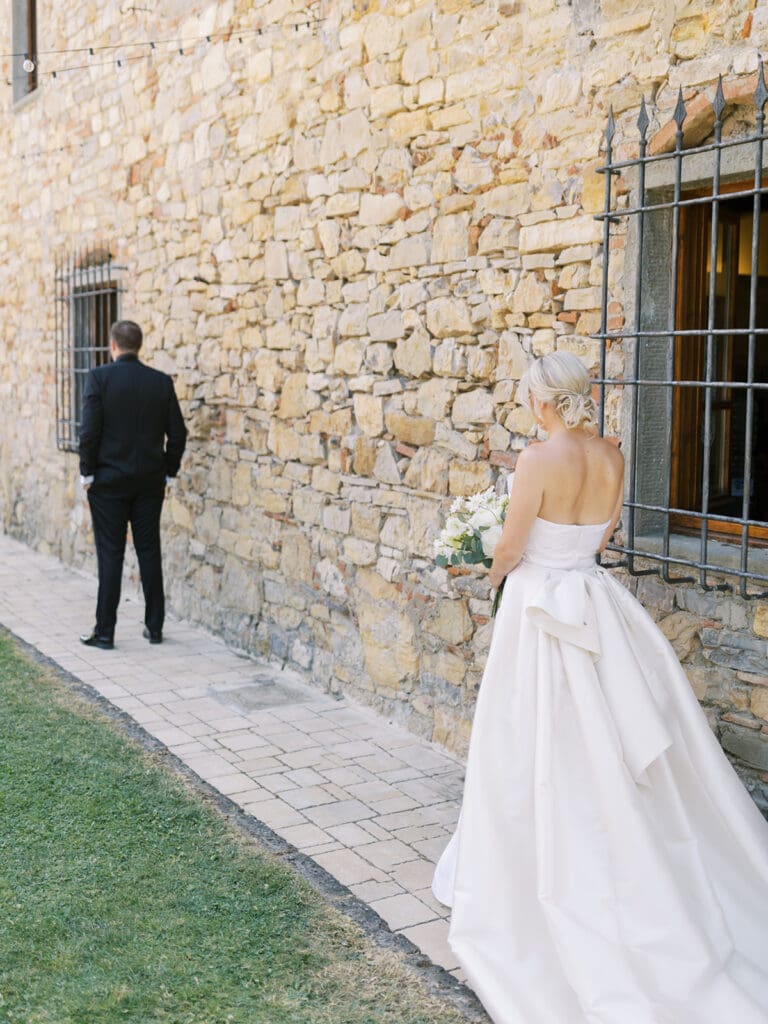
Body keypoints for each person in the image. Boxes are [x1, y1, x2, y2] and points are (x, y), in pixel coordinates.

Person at [432, 351, 768, 1023]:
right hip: (594, 600)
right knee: (614, 735)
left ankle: (542, 868)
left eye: (529, 397)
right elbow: (602, 534)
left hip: (542, 610)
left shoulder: (535, 460)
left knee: (530, 735)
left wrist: (488, 573)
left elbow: (512, 544)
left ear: (542, 401)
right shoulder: (613, 456)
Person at [78, 320, 187, 649]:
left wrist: (87, 474)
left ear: (113, 345)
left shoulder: (99, 378)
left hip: (108, 483)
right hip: (149, 483)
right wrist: (168, 471)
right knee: (149, 551)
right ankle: (154, 628)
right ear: (138, 346)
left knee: (110, 555)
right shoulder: (160, 382)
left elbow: (88, 433)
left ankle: (105, 632)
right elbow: (178, 434)